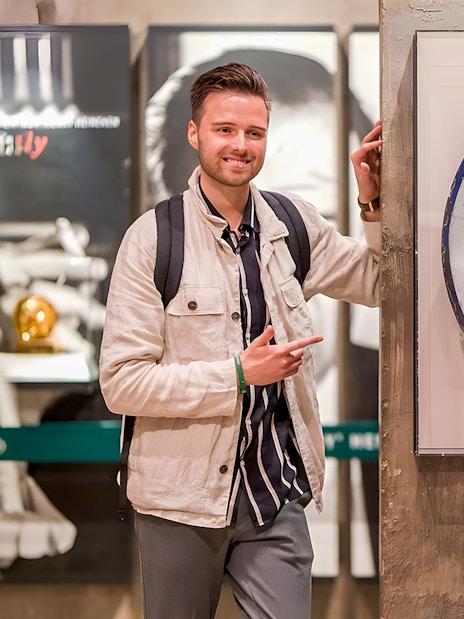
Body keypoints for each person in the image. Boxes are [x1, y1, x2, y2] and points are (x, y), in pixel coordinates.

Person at [99, 62, 381, 618]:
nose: (240, 145)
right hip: (180, 503)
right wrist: (235, 374)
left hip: (275, 498)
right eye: (225, 129)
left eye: (254, 132)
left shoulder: (291, 222)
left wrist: (372, 203)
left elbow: (379, 281)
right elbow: (121, 383)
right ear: (195, 133)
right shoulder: (152, 239)